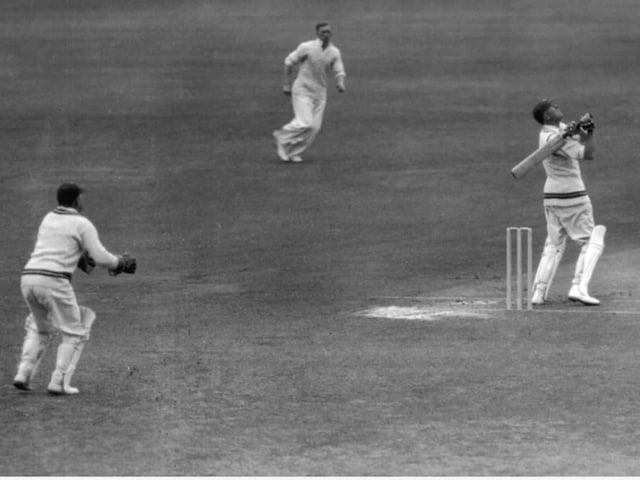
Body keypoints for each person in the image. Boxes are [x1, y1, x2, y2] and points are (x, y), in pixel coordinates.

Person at [13, 183, 137, 395]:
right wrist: (121, 263)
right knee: (74, 332)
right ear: (77, 200)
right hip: (54, 281)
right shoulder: (82, 224)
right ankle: (58, 382)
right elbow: (100, 257)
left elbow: (63, 249)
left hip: (29, 279)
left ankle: (23, 373)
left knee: (40, 328)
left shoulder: (48, 219)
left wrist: (80, 258)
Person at [529, 99, 606, 306]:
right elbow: (588, 153)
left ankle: (539, 292)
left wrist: (583, 128)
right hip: (572, 195)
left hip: (552, 196)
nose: (558, 107)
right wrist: (591, 134)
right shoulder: (553, 139)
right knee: (590, 241)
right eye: (553, 107)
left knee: (554, 244)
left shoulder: (555, 131)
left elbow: (577, 136)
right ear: (547, 116)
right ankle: (579, 288)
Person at [272, 22, 346, 163]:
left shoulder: (334, 52)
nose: (326, 34)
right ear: (317, 34)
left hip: (320, 93)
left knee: (314, 128)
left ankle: (292, 151)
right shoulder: (306, 47)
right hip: (302, 90)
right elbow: (288, 62)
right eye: (323, 32)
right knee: (305, 123)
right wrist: (286, 84)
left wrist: (340, 82)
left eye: (328, 32)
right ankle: (281, 136)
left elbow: (339, 70)